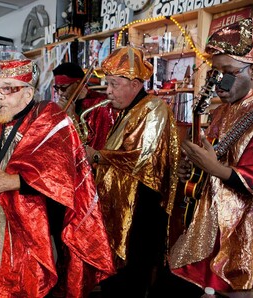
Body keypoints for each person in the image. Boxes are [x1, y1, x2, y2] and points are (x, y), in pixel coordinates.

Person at [0, 58, 116, 297]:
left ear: (28, 92)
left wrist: (10, 181)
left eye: (8, 88)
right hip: (2, 227)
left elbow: (63, 175)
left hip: (38, 232)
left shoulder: (51, 118)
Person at [169, 15, 253, 293]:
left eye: (229, 72)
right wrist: (193, 170)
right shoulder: (221, 111)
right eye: (215, 73)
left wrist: (213, 167)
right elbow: (212, 159)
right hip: (214, 223)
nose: (219, 82)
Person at [84, 45, 181, 297]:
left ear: (136, 84)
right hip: (121, 208)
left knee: (130, 283)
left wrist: (96, 155)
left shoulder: (154, 108)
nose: (108, 91)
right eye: (108, 84)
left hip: (140, 213)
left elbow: (142, 158)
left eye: (114, 84)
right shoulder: (130, 110)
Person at [52, 62, 115, 149]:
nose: (60, 93)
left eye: (63, 87)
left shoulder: (100, 104)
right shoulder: (67, 103)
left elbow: (96, 143)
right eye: (57, 88)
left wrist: (73, 117)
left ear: (78, 83)